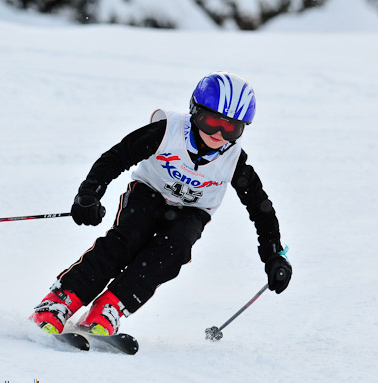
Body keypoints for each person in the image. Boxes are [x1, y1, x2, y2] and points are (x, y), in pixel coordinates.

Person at [30, 72, 292, 336]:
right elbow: (116, 157)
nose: (218, 133)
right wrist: (89, 194)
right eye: (211, 121)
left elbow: (261, 209)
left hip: (193, 211)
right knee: (126, 240)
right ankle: (61, 300)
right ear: (195, 112)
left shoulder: (234, 161)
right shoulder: (167, 131)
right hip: (149, 192)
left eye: (230, 128)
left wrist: (274, 256)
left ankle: (111, 307)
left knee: (173, 250)